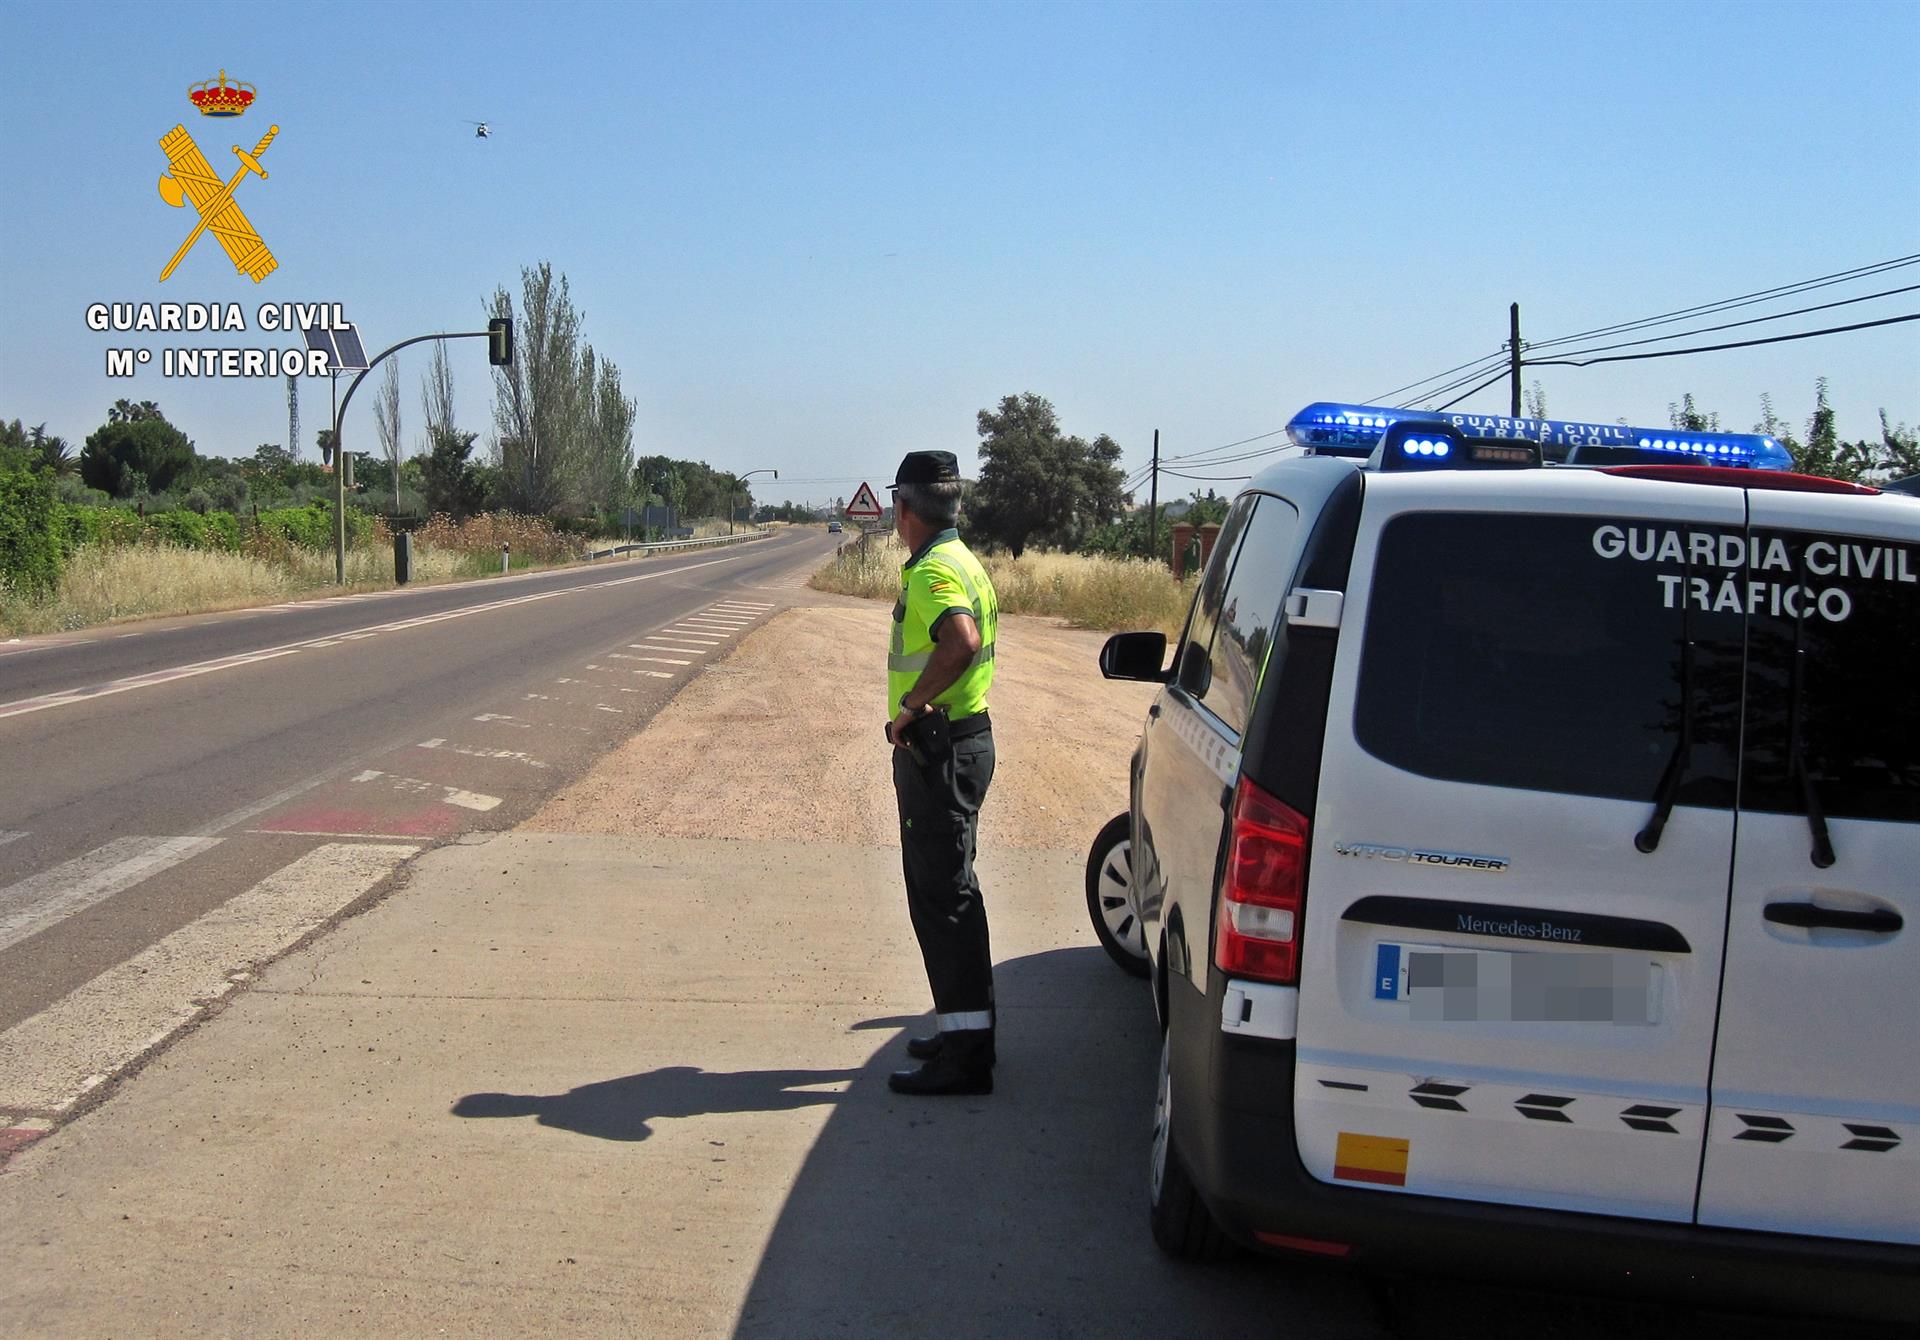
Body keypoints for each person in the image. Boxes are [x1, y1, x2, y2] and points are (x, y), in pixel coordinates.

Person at [884, 450, 1000, 1096]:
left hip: (940, 748)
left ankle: (966, 1059)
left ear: (905, 511)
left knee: (943, 903)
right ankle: (966, 1031)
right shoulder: (965, 561)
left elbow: (961, 640)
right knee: (956, 895)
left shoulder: (932, 573)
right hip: (966, 740)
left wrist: (911, 707)